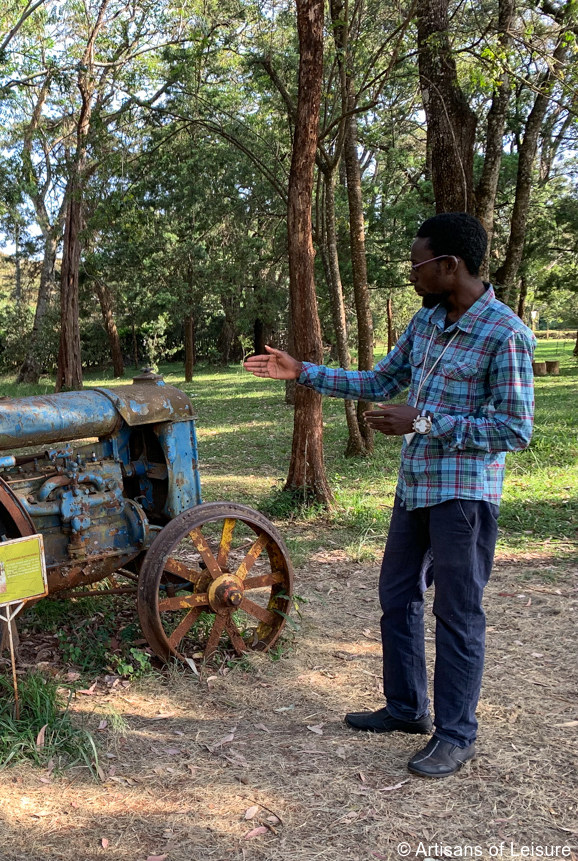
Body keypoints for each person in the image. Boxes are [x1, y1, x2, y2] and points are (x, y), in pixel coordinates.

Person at [243, 212, 535, 778]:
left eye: (418, 263)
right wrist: (300, 369)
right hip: (416, 491)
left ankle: (456, 735)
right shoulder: (426, 324)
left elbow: (514, 430)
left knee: (458, 613)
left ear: (450, 265)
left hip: (463, 500)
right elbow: (379, 382)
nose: (411, 274)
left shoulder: (505, 333)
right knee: (397, 597)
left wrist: (423, 421)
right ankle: (406, 709)